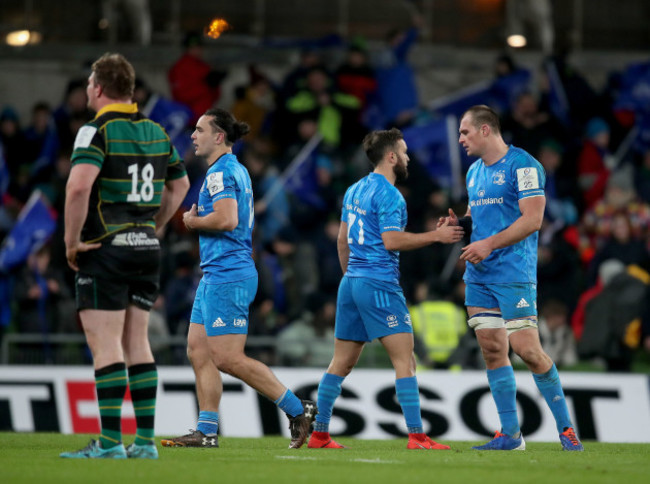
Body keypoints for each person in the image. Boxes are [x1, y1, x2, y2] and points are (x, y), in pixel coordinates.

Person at [160, 108, 317, 449]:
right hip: (218, 272)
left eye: (200, 130)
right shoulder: (237, 170)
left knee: (228, 358)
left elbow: (228, 219)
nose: (193, 135)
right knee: (198, 351)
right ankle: (207, 431)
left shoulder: (219, 173)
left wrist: (193, 222)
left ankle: (297, 407)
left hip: (228, 274)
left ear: (219, 137)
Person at [61, 53, 190, 459]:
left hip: (105, 248)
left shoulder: (95, 130)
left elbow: (78, 188)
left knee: (106, 346)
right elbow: (181, 185)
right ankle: (146, 443)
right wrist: (156, 226)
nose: (86, 91)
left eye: (88, 85)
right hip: (147, 250)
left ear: (98, 88)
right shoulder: (155, 131)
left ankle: (111, 443)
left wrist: (71, 241)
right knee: (139, 343)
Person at [308, 128, 463, 450]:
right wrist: (434, 237)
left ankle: (319, 435)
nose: (408, 158)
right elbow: (392, 241)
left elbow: (341, 240)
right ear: (391, 156)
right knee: (405, 361)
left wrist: (352, 279)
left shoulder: (354, 190)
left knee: (340, 363)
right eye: (404, 152)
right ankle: (417, 436)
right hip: (379, 283)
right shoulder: (392, 195)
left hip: (350, 283)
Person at [442, 104, 583, 451]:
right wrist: (458, 225)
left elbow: (533, 220)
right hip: (479, 275)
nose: (461, 139)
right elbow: (478, 216)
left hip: (513, 272)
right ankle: (510, 434)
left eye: (465, 132)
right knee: (492, 349)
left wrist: (488, 243)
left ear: (486, 130)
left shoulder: (525, 166)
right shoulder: (474, 172)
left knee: (528, 351)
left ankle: (566, 429)